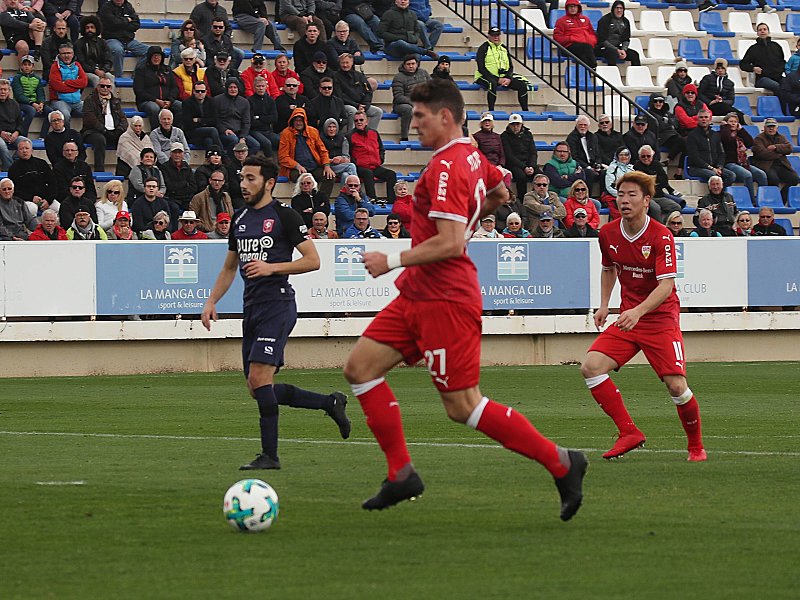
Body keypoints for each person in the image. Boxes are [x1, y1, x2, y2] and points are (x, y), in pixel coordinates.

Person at [342, 78, 587, 517]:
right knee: (359, 368)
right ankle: (401, 473)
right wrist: (471, 220)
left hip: (445, 298)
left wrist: (392, 258)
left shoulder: (447, 168)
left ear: (445, 116)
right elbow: (499, 193)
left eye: (419, 115)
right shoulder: (471, 155)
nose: (412, 122)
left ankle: (562, 462)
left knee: (462, 405)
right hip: (418, 294)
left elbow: (451, 244)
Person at [201, 154, 351, 471]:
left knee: (259, 378)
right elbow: (230, 267)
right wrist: (211, 301)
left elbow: (313, 260)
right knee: (258, 389)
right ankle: (329, 402)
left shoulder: (286, 216)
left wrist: (273, 267)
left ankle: (270, 456)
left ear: (269, 182)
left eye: (251, 178)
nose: (243, 184)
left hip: (278, 305)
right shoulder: (239, 218)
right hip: (252, 309)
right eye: (242, 178)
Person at [580, 170, 706, 462]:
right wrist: (603, 305)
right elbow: (609, 268)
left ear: (646, 200)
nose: (624, 200)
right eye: (620, 194)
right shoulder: (608, 233)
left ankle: (696, 447)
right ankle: (629, 432)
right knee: (591, 366)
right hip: (628, 318)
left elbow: (666, 286)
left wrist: (638, 311)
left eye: (631, 195)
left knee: (677, 386)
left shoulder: (661, 236)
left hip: (659, 319)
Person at [278, 107, 337, 200]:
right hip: (295, 169)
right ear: (292, 120)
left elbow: (323, 150)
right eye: (296, 120)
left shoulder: (313, 131)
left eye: (300, 120)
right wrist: (297, 165)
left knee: (330, 177)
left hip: (314, 166)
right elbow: (283, 157)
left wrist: (326, 165)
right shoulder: (285, 134)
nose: (298, 123)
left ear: (305, 120)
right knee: (304, 180)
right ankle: (303, 201)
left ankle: (321, 200)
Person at [474, 26, 530, 112]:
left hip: (503, 77)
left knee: (522, 85)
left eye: (497, 35)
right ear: (488, 36)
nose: (496, 37)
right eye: (493, 35)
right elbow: (481, 68)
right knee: (492, 84)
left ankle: (525, 111)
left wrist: (508, 78)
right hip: (484, 76)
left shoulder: (504, 48)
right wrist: (497, 79)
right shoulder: (483, 48)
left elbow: (510, 67)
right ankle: (491, 110)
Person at [348, 111, 397, 204]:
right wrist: (356, 163)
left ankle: (391, 201)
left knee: (391, 174)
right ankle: (372, 199)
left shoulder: (374, 133)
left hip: (375, 166)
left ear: (366, 121)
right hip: (360, 168)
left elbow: (381, 149)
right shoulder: (350, 135)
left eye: (361, 120)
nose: (359, 122)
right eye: (356, 120)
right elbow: (348, 153)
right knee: (368, 173)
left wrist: (380, 159)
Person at [719, 113, 767, 206]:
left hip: (743, 163)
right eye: (730, 122)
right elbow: (727, 139)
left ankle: (763, 200)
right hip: (729, 163)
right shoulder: (721, 133)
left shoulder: (740, 135)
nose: (733, 124)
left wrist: (741, 129)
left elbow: (750, 143)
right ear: (725, 123)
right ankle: (752, 201)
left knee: (762, 174)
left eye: (735, 122)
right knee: (747, 175)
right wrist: (725, 127)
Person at [80, 76, 127, 172]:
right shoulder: (90, 100)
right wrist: (104, 130)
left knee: (125, 138)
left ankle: (122, 171)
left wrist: (119, 130)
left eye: (108, 86)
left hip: (113, 131)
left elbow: (123, 118)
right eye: (102, 86)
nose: (105, 88)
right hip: (93, 131)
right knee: (100, 139)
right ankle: (99, 170)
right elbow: (90, 119)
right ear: (97, 87)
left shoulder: (115, 101)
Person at [752, 118, 800, 205]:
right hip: (766, 165)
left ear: (776, 128)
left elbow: (789, 148)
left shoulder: (781, 137)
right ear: (764, 128)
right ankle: (773, 201)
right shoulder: (759, 139)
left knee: (794, 178)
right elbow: (762, 154)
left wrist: (776, 147)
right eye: (769, 126)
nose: (771, 128)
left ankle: (781, 200)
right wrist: (779, 153)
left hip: (782, 165)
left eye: (773, 126)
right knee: (773, 179)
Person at [134, 46, 182, 131]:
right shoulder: (141, 70)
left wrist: (170, 100)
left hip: (167, 100)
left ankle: (175, 132)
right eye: (154, 56)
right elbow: (139, 91)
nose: (156, 58)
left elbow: (174, 88)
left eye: (158, 55)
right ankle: (156, 133)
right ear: (149, 57)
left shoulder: (167, 69)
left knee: (181, 106)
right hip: (147, 101)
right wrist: (156, 100)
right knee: (154, 108)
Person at [98, 0, 149, 78]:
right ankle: (119, 77)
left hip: (128, 40)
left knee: (150, 51)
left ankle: (137, 75)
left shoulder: (128, 6)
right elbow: (113, 23)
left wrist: (120, 23)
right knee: (118, 50)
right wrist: (127, 20)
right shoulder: (106, 7)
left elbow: (136, 24)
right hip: (112, 38)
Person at [8, 137, 57, 217]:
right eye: (21, 149)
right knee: (32, 208)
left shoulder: (42, 163)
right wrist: (31, 198)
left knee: (58, 207)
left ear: (32, 150)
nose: (24, 151)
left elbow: (53, 183)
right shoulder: (14, 168)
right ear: (17, 151)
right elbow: (15, 190)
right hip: (26, 200)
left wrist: (48, 200)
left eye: (27, 148)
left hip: (45, 198)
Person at [685, 109, 735, 187]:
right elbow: (694, 157)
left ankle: (720, 194)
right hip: (697, 168)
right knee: (714, 176)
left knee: (731, 175)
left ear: (710, 119)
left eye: (706, 117)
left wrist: (719, 167)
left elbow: (721, 153)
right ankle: (713, 196)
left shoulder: (715, 135)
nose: (703, 119)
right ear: (698, 119)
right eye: (701, 117)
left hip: (714, 167)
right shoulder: (692, 136)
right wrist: (711, 168)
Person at [633, 145, 684, 220]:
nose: (646, 158)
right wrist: (654, 180)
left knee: (676, 207)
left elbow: (664, 180)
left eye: (648, 156)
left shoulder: (657, 165)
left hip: (659, 195)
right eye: (643, 156)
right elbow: (641, 184)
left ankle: (664, 224)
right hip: (645, 197)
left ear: (652, 156)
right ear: (639, 157)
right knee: (656, 209)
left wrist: (650, 181)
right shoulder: (636, 167)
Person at [335, 53, 383, 131]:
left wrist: (365, 105)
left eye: (347, 62)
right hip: (346, 105)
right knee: (353, 111)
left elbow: (368, 91)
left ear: (352, 62)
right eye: (343, 62)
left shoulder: (359, 76)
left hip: (361, 105)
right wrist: (357, 106)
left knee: (378, 112)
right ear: (339, 63)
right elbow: (340, 96)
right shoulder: (335, 76)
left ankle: (370, 134)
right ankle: (352, 135)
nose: (345, 65)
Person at [191, 0, 245, 69]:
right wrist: (202, 38)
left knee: (239, 54)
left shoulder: (222, 10)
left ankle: (229, 72)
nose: (218, 29)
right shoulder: (198, 9)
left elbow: (228, 27)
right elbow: (192, 26)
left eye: (220, 27)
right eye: (216, 27)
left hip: (222, 42)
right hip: (205, 43)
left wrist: (225, 37)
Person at [213, 78, 260, 156]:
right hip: (224, 132)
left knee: (255, 145)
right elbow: (215, 119)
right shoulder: (217, 100)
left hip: (240, 132)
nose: (233, 90)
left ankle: (244, 162)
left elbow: (246, 122)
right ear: (226, 88)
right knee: (234, 140)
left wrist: (243, 137)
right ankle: (229, 162)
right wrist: (224, 130)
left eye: (235, 87)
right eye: (230, 87)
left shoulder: (244, 102)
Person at [48, 43, 87, 130]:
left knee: (91, 110)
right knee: (64, 115)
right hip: (60, 100)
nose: (66, 56)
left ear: (73, 54)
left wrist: (66, 82)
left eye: (69, 53)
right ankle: (67, 137)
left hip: (77, 101)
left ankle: (87, 133)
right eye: (64, 53)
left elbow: (84, 82)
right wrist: (76, 86)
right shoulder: (55, 67)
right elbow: (58, 87)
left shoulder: (77, 65)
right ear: (59, 55)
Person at [392, 54, 430, 142]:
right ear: (404, 65)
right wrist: (413, 103)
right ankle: (404, 137)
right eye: (408, 64)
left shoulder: (424, 73)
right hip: (402, 105)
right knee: (407, 109)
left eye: (413, 64)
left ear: (417, 64)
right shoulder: (398, 77)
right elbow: (398, 96)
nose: (411, 66)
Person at [740, 23, 785, 96]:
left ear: (768, 32)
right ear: (757, 33)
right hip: (762, 79)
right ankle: (781, 107)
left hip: (777, 76)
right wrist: (753, 68)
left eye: (764, 29)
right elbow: (743, 64)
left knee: (791, 85)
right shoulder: (753, 49)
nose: (762, 31)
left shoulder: (776, 46)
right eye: (760, 30)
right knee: (776, 86)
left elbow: (782, 62)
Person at [501, 113, 538, 201]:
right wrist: (524, 167)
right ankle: (522, 200)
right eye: (513, 124)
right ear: (509, 125)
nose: (515, 127)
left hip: (528, 163)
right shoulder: (504, 136)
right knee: (521, 177)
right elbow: (509, 155)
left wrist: (531, 166)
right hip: (514, 164)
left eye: (517, 124)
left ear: (522, 124)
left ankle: (537, 198)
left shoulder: (528, 134)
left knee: (540, 176)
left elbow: (533, 152)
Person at [12, 54, 50, 138]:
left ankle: (43, 136)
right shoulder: (17, 78)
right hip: (22, 103)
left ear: (33, 66)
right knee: (31, 111)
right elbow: (19, 95)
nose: (27, 67)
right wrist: (32, 103)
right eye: (24, 64)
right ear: (21, 66)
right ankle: (23, 134)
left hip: (35, 103)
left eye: (29, 65)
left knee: (50, 112)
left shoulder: (37, 79)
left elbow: (40, 93)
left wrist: (41, 103)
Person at [647, 94, 684, 177]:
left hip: (672, 135)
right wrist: (669, 124)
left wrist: (667, 123)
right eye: (656, 101)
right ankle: (671, 161)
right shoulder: (649, 115)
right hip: (661, 137)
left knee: (687, 145)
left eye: (661, 101)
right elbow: (658, 127)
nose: (658, 103)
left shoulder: (667, 113)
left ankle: (677, 169)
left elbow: (676, 123)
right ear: (652, 102)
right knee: (682, 141)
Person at [0, 0, 46, 68]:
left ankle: (38, 49)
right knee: (23, 47)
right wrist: (29, 26)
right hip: (14, 39)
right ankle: (22, 72)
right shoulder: (3, 15)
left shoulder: (25, 12)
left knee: (37, 21)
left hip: (29, 37)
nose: (13, 1)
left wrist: (42, 23)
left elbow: (38, 21)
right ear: (5, 1)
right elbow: (14, 23)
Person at [698, 58, 745, 123]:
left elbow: (731, 101)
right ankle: (743, 118)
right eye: (718, 68)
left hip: (722, 106)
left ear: (725, 69)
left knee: (723, 106)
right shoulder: (707, 78)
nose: (720, 70)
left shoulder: (730, 83)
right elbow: (700, 93)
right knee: (725, 108)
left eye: (722, 68)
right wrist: (710, 102)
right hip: (708, 106)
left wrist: (721, 100)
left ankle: (742, 118)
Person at [553, 0, 597, 69]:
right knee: (586, 48)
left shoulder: (586, 19)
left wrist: (592, 41)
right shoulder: (561, 21)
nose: (573, 9)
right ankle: (593, 67)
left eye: (575, 7)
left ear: (578, 8)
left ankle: (587, 73)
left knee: (584, 55)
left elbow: (592, 33)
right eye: (570, 7)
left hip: (586, 46)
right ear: (567, 8)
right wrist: (571, 38)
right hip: (569, 46)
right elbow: (557, 38)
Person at [182, 81, 224, 152]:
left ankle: (212, 160)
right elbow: (188, 124)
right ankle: (223, 155)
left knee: (209, 140)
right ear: (194, 92)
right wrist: (206, 122)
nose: (200, 93)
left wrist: (199, 120)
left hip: (206, 133)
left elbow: (215, 120)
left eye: (202, 91)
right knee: (212, 130)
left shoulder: (211, 101)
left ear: (206, 92)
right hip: (193, 133)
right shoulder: (187, 103)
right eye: (198, 91)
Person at [75, 15, 115, 90]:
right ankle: (98, 100)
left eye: (92, 27)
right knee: (95, 79)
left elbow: (108, 60)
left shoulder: (102, 42)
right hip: (86, 72)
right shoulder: (79, 43)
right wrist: (94, 70)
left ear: (96, 28)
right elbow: (81, 62)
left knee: (110, 77)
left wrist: (103, 70)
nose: (89, 30)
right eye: (87, 28)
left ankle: (109, 99)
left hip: (102, 70)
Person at [594, 1, 639, 67]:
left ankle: (636, 75)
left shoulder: (625, 21)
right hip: (603, 48)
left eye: (621, 8)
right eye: (617, 8)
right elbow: (602, 40)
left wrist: (623, 50)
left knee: (634, 54)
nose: (619, 10)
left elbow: (626, 39)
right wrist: (617, 50)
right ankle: (612, 74)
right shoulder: (604, 20)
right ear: (613, 9)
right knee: (612, 53)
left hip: (618, 48)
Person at [189, 168, 234, 232]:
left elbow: (231, 216)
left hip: (225, 231)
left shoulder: (226, 196)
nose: (217, 182)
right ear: (210, 180)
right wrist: (206, 228)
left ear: (223, 182)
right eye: (215, 180)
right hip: (207, 232)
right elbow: (192, 219)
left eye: (220, 180)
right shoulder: (198, 197)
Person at [566, 115, 602, 194]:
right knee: (589, 173)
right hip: (580, 166)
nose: (582, 127)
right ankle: (588, 196)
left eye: (585, 125)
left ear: (588, 126)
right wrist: (588, 167)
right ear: (576, 125)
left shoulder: (593, 137)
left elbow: (597, 154)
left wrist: (597, 165)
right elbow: (574, 157)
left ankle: (603, 196)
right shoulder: (571, 138)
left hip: (593, 165)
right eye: (580, 125)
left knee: (604, 173)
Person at [319, 117, 358, 184]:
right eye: (329, 127)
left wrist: (341, 159)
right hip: (327, 166)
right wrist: (332, 160)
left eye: (334, 127)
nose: (332, 129)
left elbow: (347, 157)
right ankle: (357, 189)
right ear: (325, 128)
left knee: (345, 175)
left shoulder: (343, 138)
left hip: (341, 165)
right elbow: (318, 157)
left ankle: (344, 193)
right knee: (351, 166)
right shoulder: (320, 139)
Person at [162, 143, 197, 211]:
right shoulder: (164, 167)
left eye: (179, 152)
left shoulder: (187, 167)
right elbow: (169, 186)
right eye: (175, 152)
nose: (177, 155)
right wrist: (184, 184)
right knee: (174, 209)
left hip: (186, 198)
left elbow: (193, 186)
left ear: (183, 154)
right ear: (171, 154)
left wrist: (178, 189)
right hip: (172, 198)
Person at [602, 147, 634, 219]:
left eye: (626, 155)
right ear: (617, 156)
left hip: (629, 195)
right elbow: (609, 187)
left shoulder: (631, 169)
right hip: (615, 195)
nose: (624, 157)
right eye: (621, 155)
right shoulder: (612, 168)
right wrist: (622, 196)